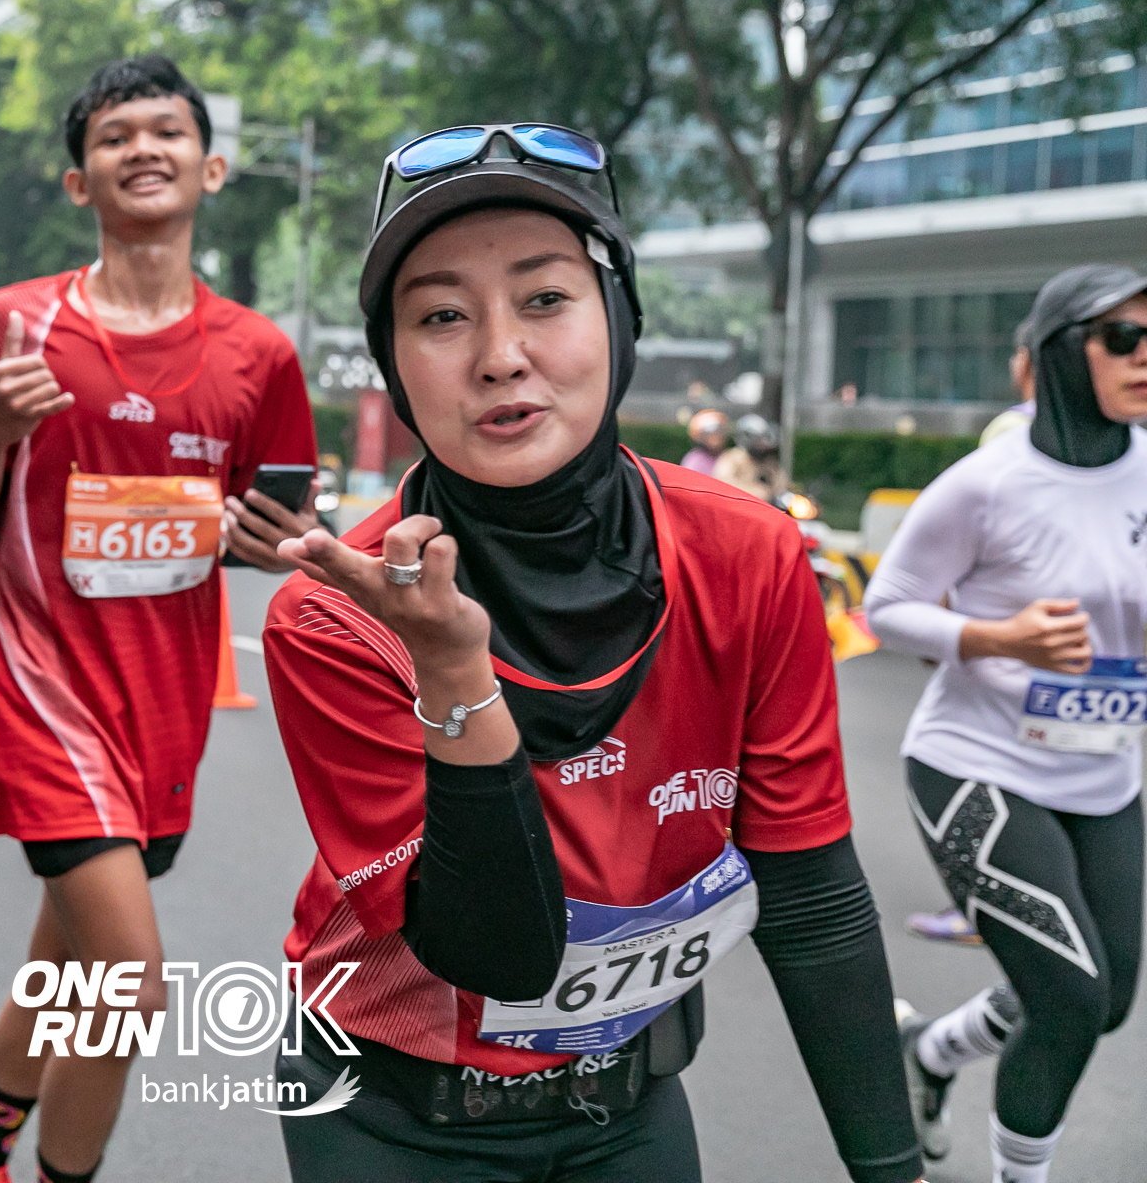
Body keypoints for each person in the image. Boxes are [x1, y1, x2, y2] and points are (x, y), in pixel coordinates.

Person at [260, 122, 923, 1182]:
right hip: (388, 1115)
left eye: (544, 298)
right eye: (441, 315)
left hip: (627, 1108)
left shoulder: (747, 553)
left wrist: (894, 1170)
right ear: (393, 361)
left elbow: (808, 894)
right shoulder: (337, 613)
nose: (499, 355)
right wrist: (456, 675)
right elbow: (499, 954)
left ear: (617, 316)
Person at [0, 54, 319, 1183]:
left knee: (69, 964)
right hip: (43, 696)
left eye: (167, 131)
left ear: (212, 167)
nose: (144, 148)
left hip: (165, 711)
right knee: (128, 981)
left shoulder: (259, 353)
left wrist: (271, 539)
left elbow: (279, 523)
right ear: (79, 180)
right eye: (115, 136)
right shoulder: (14, 325)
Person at [868, 264, 1147, 1183]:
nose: (1145, 357)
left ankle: (930, 1052)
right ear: (1063, 351)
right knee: (1067, 1002)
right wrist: (1001, 638)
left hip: (1104, 773)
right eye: (1123, 338)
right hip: (977, 768)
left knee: (1105, 1000)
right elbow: (888, 608)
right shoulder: (987, 485)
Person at [904, 323, 1043, 949]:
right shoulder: (1031, 437)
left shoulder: (1015, 429)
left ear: (1023, 365)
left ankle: (983, 911)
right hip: (1035, 656)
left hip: (1018, 651)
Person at [712, 411, 785, 501]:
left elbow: (780, 487)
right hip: (740, 504)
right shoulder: (732, 458)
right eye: (757, 439)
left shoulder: (769, 462)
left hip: (765, 506)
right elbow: (723, 485)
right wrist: (754, 491)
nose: (761, 443)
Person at [678, 408, 728, 476]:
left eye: (719, 432)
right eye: (709, 433)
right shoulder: (694, 461)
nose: (716, 437)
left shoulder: (730, 457)